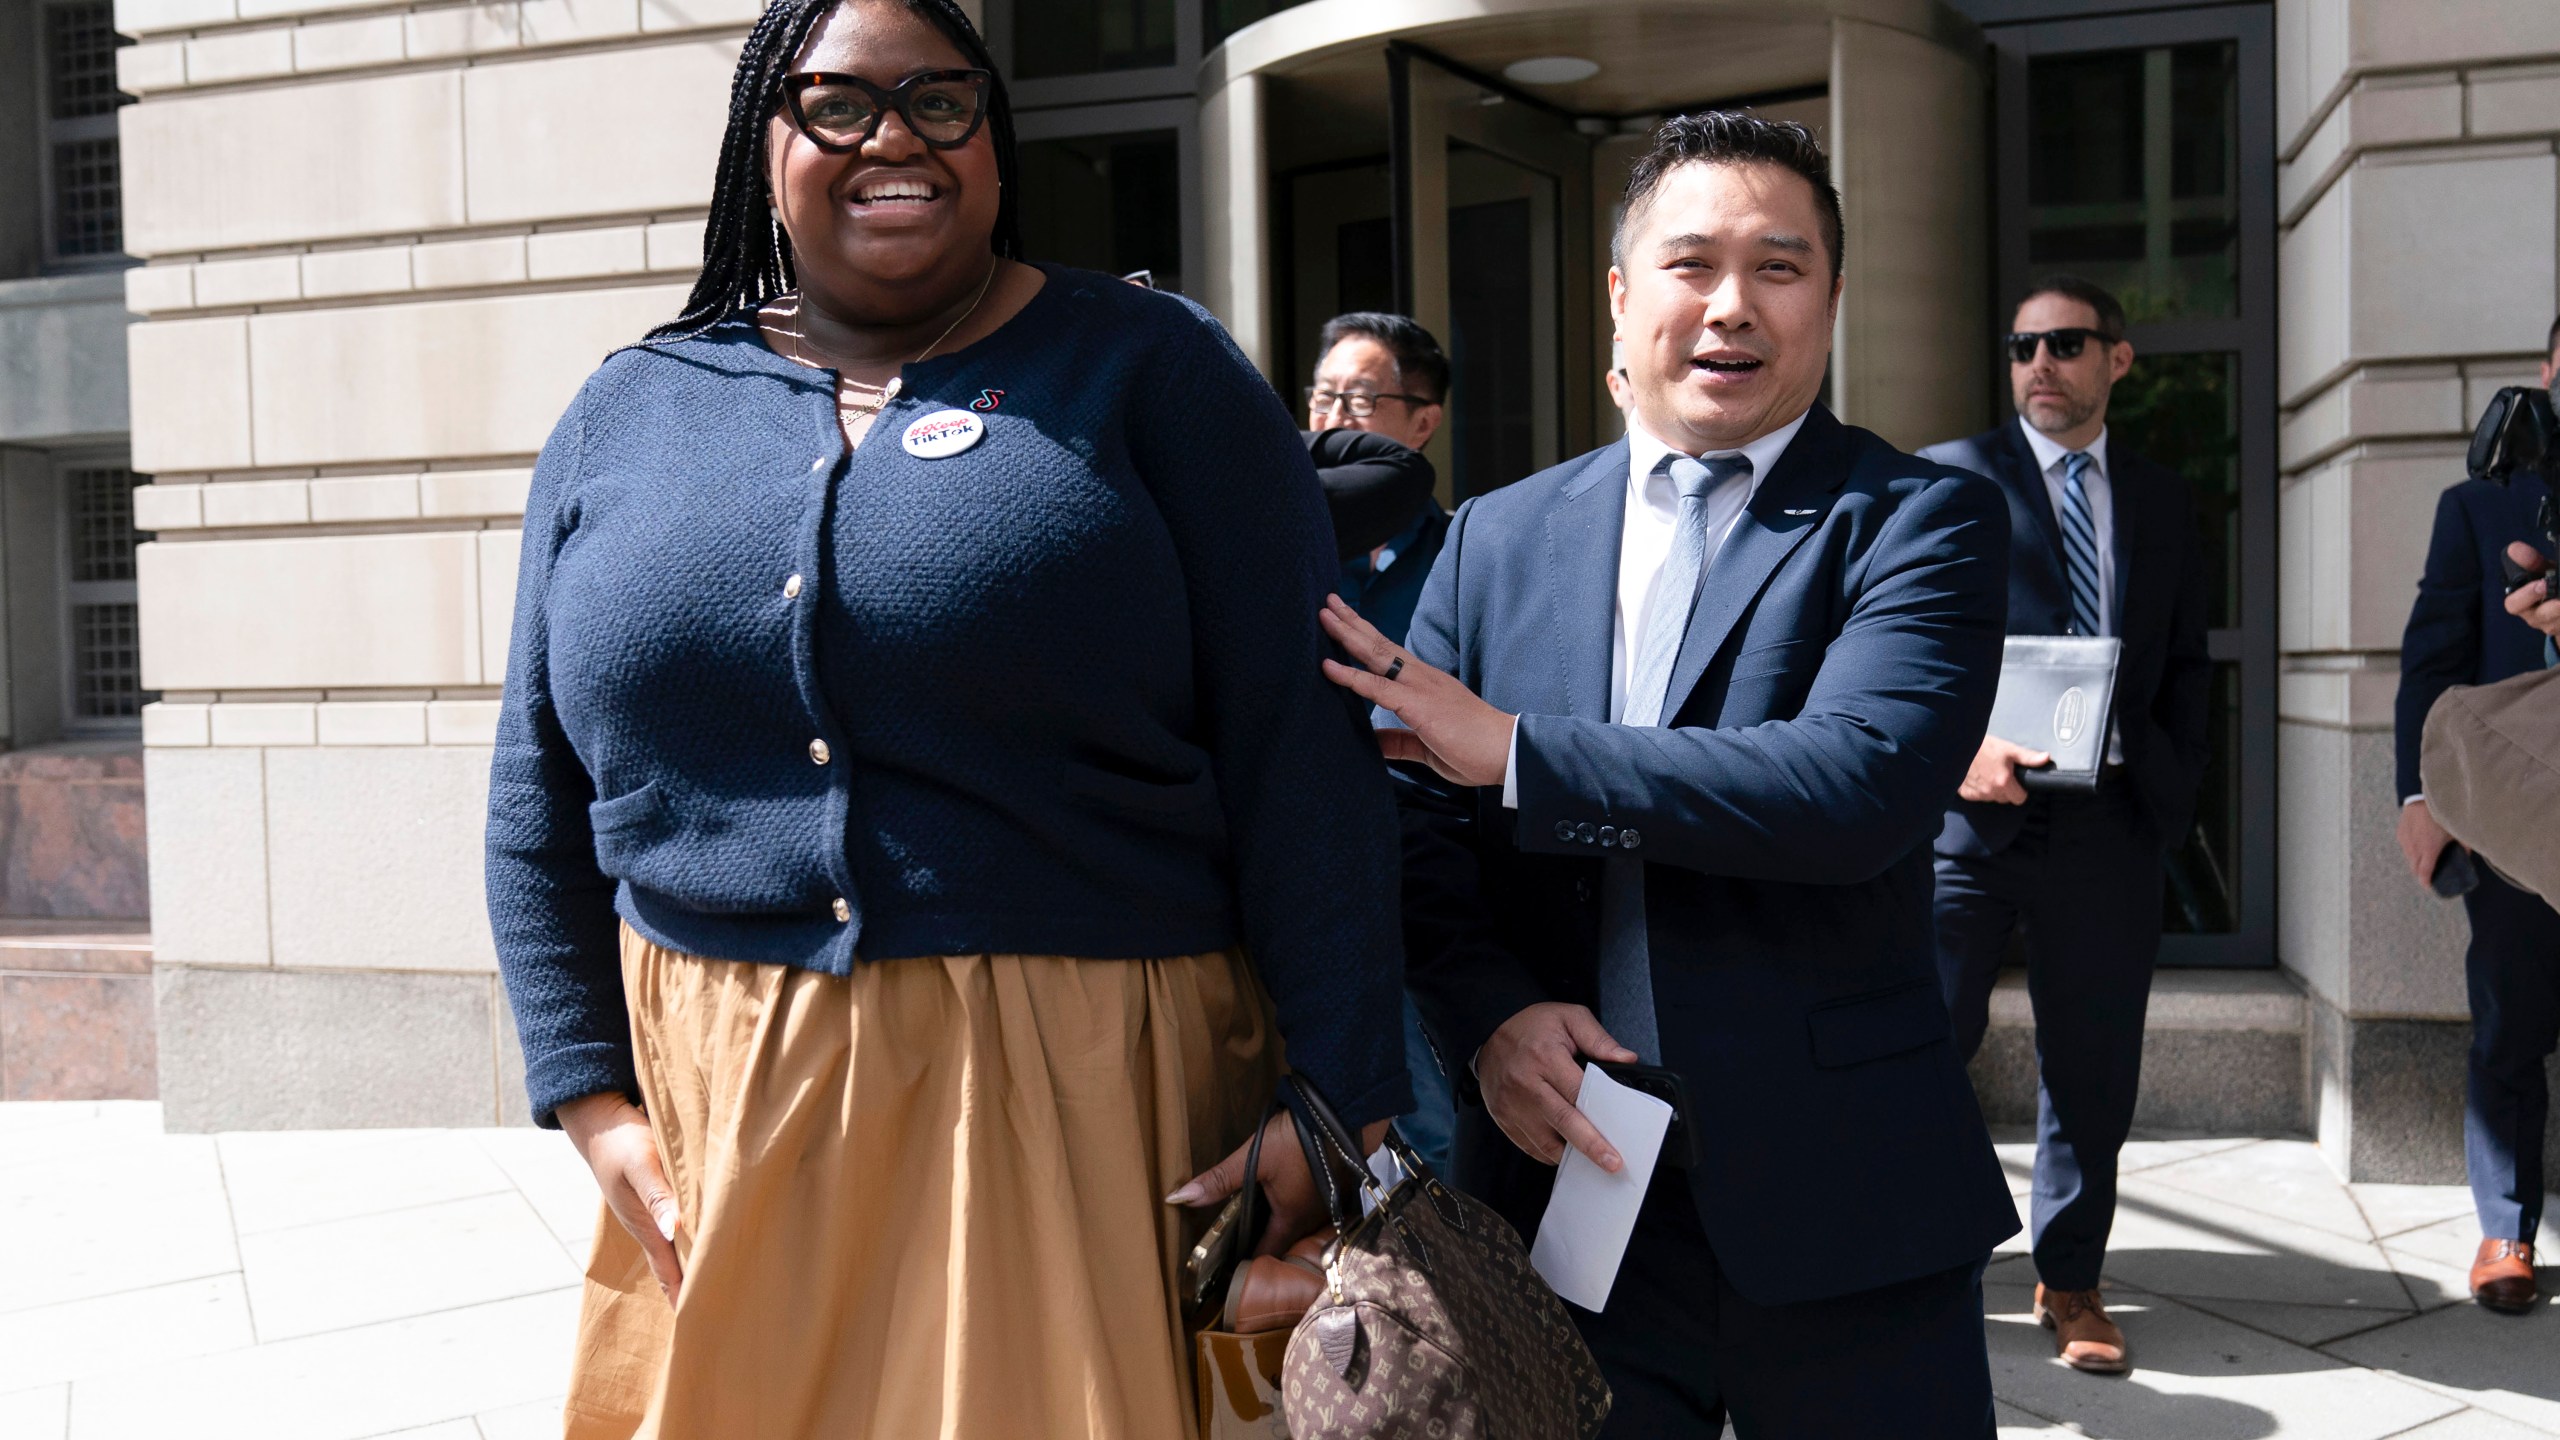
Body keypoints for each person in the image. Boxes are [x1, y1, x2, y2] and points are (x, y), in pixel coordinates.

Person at [483, 2, 1406, 1434]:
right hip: (724, 1105)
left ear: (996, 130)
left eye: (940, 99)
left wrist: (1342, 1090)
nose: (894, 135)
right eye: (837, 104)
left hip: (1084, 1102)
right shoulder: (628, 410)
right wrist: (589, 1094)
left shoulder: (1153, 372)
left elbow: (1301, 743)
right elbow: (533, 789)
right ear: (762, 139)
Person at [1320, 111, 2018, 1438]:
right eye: (1692, 263)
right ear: (1621, 293)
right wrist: (1490, 1018)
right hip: (1563, 1197)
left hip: (1844, 1208)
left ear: (1833, 298)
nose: (1732, 306)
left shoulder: (1917, 520)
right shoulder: (1493, 540)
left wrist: (1518, 753)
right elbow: (1411, 823)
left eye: (1781, 266)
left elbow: (1852, 790)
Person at [1917, 276, 2211, 1374]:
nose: (2040, 362)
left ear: (2115, 361)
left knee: (2092, 1068)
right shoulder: (1950, 481)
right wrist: (1955, 756)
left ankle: (2070, 1279)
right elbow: (1905, 654)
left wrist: (2171, 789)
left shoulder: (2164, 498)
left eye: (2066, 343)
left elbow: (2186, 662)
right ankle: (1926, 1260)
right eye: (2022, 345)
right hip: (1972, 819)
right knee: (1926, 1044)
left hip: (2109, 826)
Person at [2393, 314, 2560, 1315]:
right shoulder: (2478, 505)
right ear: (2546, 372)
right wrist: (2421, 797)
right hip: (2510, 820)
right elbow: (2430, 657)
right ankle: (2506, 1226)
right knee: (2509, 1025)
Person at [1299, 311, 1459, 1175]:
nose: (1333, 418)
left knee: (1430, 1120)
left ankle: (1449, 1307)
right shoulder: (1292, 542)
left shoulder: (1469, 550)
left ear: (1423, 421)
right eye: (1323, 396)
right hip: (1302, 877)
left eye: (1359, 399)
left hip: (1417, 875)